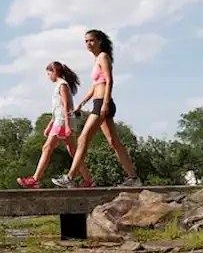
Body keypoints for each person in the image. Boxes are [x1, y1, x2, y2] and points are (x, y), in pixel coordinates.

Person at [52, 29, 141, 188]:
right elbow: (95, 86)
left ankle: (70, 177)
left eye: (91, 40)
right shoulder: (96, 60)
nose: (88, 44)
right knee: (114, 142)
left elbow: (109, 80)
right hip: (98, 102)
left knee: (82, 139)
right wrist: (82, 103)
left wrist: (106, 103)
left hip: (102, 104)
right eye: (86, 41)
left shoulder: (103, 57)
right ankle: (134, 178)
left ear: (99, 41)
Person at [17, 61, 93, 188]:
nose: (48, 77)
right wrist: (50, 125)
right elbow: (57, 109)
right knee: (73, 150)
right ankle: (88, 180)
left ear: (55, 72)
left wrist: (67, 125)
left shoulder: (62, 85)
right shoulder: (60, 85)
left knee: (47, 148)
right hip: (60, 120)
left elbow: (66, 105)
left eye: (49, 74)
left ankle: (35, 179)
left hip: (63, 121)